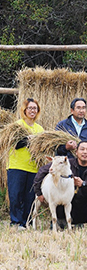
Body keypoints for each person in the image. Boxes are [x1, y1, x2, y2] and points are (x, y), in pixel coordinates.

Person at [34, 141, 87, 233]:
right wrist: (39, 193)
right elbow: (42, 171)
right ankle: (60, 223)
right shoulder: (64, 163)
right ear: (76, 152)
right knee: (58, 200)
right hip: (66, 204)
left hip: (86, 206)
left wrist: (83, 184)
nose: (85, 152)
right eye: (82, 149)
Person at [7, 98, 44, 230]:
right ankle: (16, 222)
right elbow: (15, 145)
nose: (32, 111)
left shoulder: (40, 129)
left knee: (29, 197)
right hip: (17, 166)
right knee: (16, 194)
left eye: (35, 108)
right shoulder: (17, 126)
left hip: (33, 168)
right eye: (30, 108)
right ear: (24, 110)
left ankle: (26, 222)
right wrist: (29, 140)